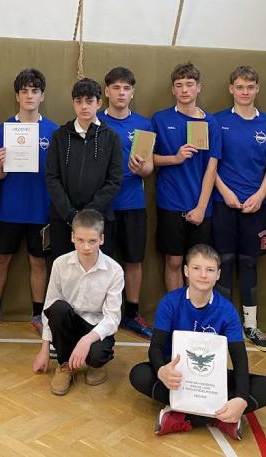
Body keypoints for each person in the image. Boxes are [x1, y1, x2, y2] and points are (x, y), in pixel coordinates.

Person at [129, 244, 266, 441]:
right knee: (138, 374)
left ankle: (180, 415)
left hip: (211, 379)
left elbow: (240, 358)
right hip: (177, 378)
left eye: (209, 270)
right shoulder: (170, 302)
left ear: (218, 274)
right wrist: (161, 370)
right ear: (186, 271)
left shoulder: (227, 311)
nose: (203, 275)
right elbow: (155, 347)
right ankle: (222, 417)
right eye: (196, 268)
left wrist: (242, 398)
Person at [212, 65, 266, 351]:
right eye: (239, 87)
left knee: (249, 263)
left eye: (250, 87)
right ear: (231, 89)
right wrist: (225, 192)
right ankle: (224, 324)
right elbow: (210, 165)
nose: (244, 92)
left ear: (257, 89)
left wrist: (260, 195)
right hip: (223, 204)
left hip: (256, 206)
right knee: (224, 261)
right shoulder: (217, 121)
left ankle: (250, 325)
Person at [0, 68, 58, 334]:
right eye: (24, 91)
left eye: (35, 91)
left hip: (41, 210)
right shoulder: (4, 129)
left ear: (42, 96)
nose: (30, 96)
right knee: (1, 259)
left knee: (38, 262)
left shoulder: (53, 131)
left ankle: (38, 314)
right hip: (9, 208)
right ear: (17, 96)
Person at [32, 209, 124, 396]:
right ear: (72, 237)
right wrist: (44, 349)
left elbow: (112, 318)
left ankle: (95, 365)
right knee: (58, 308)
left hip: (95, 327)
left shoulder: (114, 270)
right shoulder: (60, 264)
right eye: (81, 240)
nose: (86, 247)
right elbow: (49, 306)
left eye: (92, 241)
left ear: (102, 239)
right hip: (70, 323)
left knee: (97, 355)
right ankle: (65, 365)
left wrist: (87, 340)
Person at [151, 63, 221, 291]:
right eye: (179, 85)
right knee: (173, 261)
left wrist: (201, 207)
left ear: (198, 87)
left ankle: (194, 310)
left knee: (198, 264)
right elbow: (148, 159)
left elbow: (212, 168)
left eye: (189, 84)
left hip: (200, 205)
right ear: (173, 89)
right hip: (170, 202)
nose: (184, 90)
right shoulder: (160, 119)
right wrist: (175, 158)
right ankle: (176, 309)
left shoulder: (211, 123)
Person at [98, 66, 155, 339]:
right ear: (107, 91)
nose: (121, 93)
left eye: (126, 88)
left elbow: (150, 167)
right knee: (102, 261)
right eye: (116, 87)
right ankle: (103, 314)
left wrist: (141, 168)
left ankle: (131, 314)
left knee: (133, 260)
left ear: (132, 93)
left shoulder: (144, 125)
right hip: (103, 205)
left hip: (133, 203)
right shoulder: (95, 122)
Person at [45, 78, 123, 262]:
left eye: (89, 101)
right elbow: (52, 177)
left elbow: (114, 180)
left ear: (99, 103)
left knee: (98, 271)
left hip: (99, 219)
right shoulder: (60, 136)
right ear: (73, 103)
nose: (84, 106)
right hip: (63, 219)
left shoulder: (111, 138)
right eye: (79, 101)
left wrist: (88, 213)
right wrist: (71, 215)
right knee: (63, 269)